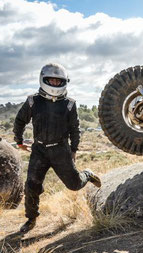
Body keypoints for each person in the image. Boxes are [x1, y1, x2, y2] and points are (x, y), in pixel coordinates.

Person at [13, 63, 101, 233]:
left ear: (64, 82)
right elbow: (19, 121)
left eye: (58, 81)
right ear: (43, 79)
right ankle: (31, 219)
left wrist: (74, 150)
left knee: (74, 185)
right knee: (31, 185)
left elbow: (75, 129)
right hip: (39, 150)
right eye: (51, 80)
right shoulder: (33, 101)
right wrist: (19, 141)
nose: (54, 83)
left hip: (61, 150)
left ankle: (87, 173)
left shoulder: (69, 104)